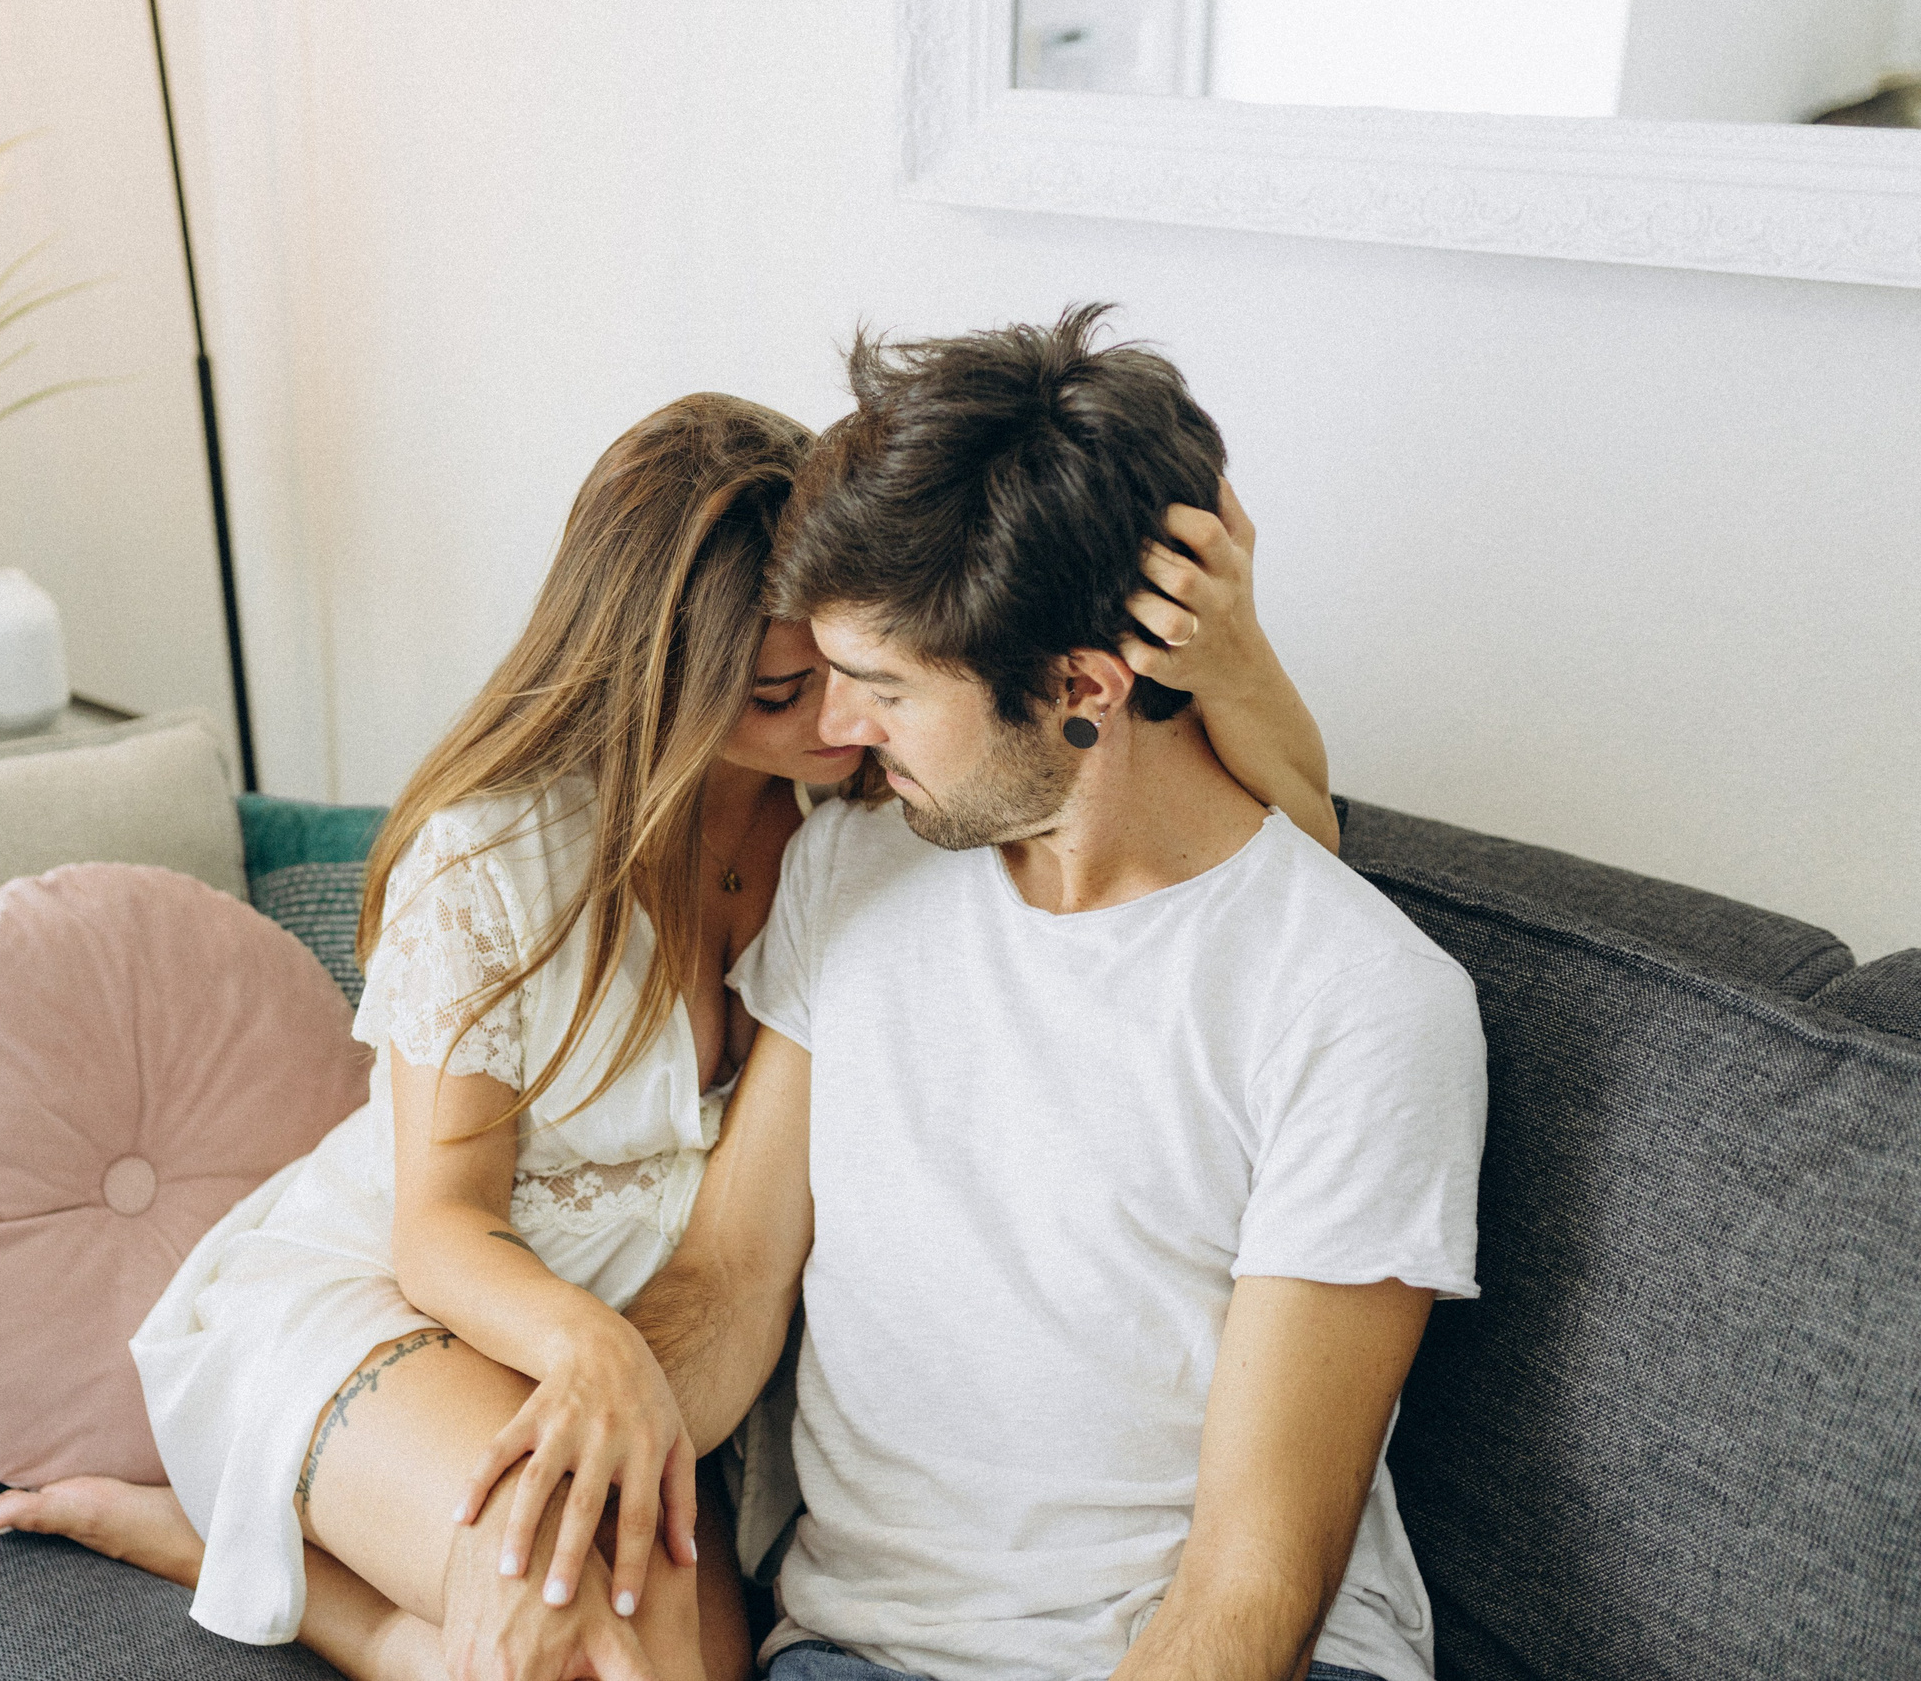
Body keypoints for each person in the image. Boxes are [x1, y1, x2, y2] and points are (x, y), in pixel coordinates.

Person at [0, 380, 1342, 1681]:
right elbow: (437, 1229)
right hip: (404, 1311)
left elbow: (1291, 866)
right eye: (773, 696)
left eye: (848, 670)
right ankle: (247, 1516)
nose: (837, 718)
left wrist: (1236, 655)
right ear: (661, 682)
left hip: (652, 1364)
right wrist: (597, 1352)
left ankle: (284, 1585)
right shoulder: (500, 863)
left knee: (690, 1661)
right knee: (595, 1637)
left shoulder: (874, 822)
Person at [442, 307, 1490, 1681]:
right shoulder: (857, 871)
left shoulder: (1358, 1005)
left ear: (1081, 688)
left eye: (878, 686)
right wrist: (558, 1516)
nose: (833, 732)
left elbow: (1251, 1587)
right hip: (862, 1654)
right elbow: (732, 1282)